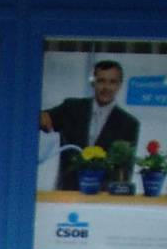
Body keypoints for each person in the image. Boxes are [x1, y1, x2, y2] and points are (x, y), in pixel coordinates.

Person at [41, 60, 140, 190]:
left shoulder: (129, 124)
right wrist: (41, 116)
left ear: (120, 85)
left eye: (112, 82)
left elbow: (125, 172)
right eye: (101, 81)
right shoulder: (71, 108)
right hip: (67, 194)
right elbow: (37, 120)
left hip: (103, 197)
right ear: (93, 82)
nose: (106, 87)